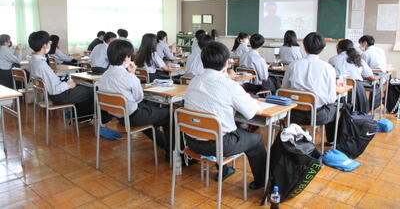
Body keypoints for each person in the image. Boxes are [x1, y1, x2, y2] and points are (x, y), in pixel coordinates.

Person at [184, 41, 267, 190]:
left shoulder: (193, 82)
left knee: (216, 127)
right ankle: (262, 181)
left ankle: (225, 169)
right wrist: (256, 103)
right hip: (218, 145)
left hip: (191, 141)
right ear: (226, 63)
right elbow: (253, 112)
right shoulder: (229, 85)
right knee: (257, 140)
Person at [96, 39, 169, 153]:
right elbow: (138, 98)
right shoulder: (129, 77)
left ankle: (165, 144)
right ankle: (172, 151)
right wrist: (133, 74)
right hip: (133, 117)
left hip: (120, 118)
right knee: (168, 113)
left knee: (149, 116)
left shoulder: (104, 76)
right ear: (126, 58)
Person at [282, 32, 337, 145]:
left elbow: (284, 89)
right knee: (335, 108)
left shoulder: (293, 65)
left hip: (292, 114)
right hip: (317, 116)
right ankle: (331, 141)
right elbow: (331, 99)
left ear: (304, 46)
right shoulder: (328, 68)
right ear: (322, 48)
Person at [28, 31, 93, 120]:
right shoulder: (41, 65)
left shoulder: (33, 60)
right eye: (49, 42)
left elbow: (49, 80)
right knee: (91, 90)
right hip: (60, 96)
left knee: (81, 87)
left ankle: (75, 115)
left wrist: (64, 80)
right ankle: (82, 118)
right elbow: (54, 90)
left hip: (54, 93)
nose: (50, 44)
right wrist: (68, 85)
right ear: (44, 45)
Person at [329, 39, 374, 113]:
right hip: (356, 91)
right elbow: (370, 75)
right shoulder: (358, 59)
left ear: (339, 49)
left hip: (339, 89)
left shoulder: (332, 59)